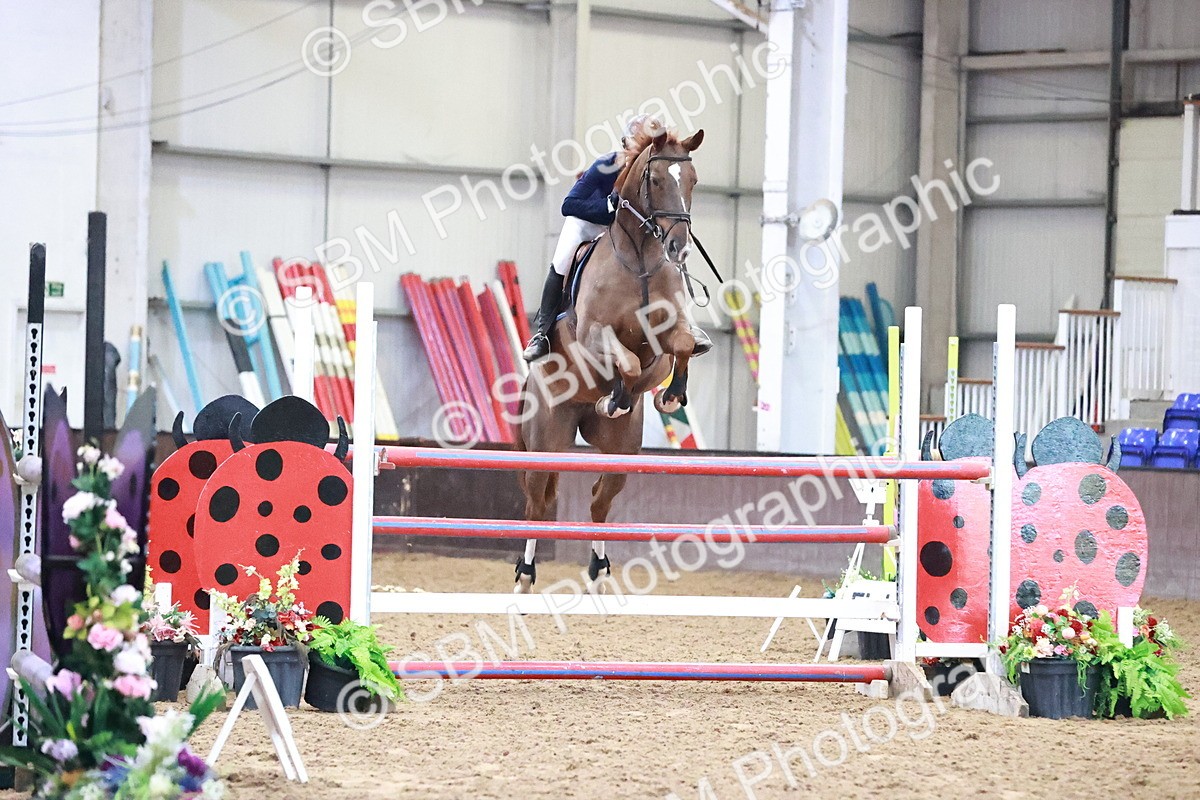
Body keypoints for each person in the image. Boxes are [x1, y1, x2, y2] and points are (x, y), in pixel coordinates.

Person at [522, 114, 713, 362]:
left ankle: (684, 326)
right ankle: (542, 335)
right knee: (561, 262)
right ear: (625, 143)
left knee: (664, 257)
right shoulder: (606, 165)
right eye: (640, 142)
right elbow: (570, 204)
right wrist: (608, 208)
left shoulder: (658, 167)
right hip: (589, 224)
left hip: (627, 232)